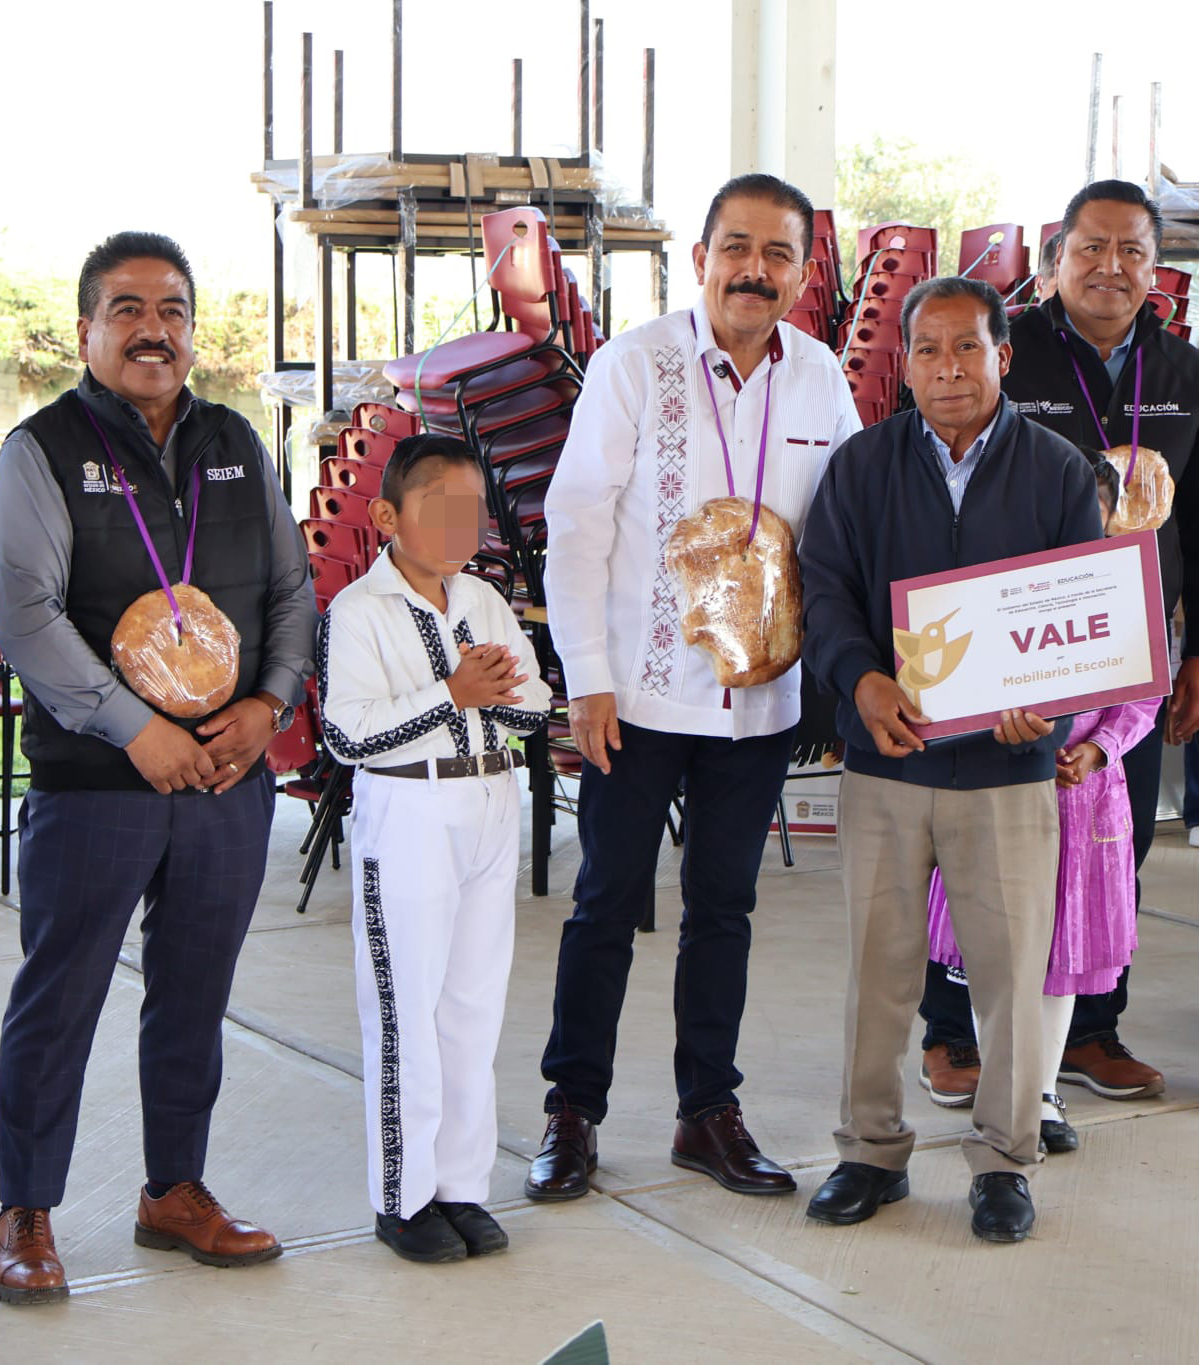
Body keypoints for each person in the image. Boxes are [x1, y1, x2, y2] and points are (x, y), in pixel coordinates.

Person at [0, 231, 317, 1302]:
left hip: (224, 780)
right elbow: (27, 616)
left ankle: (174, 1191)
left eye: (171, 309)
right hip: (99, 783)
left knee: (194, 995)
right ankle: (26, 1210)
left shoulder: (235, 440)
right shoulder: (41, 450)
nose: (151, 330)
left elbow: (290, 588)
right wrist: (135, 728)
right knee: (61, 999)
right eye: (126, 309)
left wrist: (267, 705)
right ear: (85, 328)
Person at [526, 174, 861, 1203]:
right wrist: (585, 678)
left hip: (759, 704)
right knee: (604, 903)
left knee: (724, 908)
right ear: (701, 258)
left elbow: (848, 525)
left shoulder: (820, 379)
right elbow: (576, 525)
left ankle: (706, 1112)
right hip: (637, 698)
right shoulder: (632, 366)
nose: (754, 270)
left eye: (777, 254)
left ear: (802, 274)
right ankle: (571, 1111)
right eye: (737, 248)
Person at [799, 275, 1103, 1243]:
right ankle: (869, 1150)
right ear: (905, 366)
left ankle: (1005, 1158)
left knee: (1010, 976)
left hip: (1008, 774)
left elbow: (1079, 614)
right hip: (887, 762)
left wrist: (1047, 709)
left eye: (966, 346)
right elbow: (824, 591)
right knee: (877, 971)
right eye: (926, 350)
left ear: (1001, 356)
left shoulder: (1058, 470)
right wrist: (859, 681)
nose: (947, 369)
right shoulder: (861, 465)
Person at [917, 180, 1199, 1104]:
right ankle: (952, 1031)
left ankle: (1090, 1027)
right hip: (1010, 632)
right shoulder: (1004, 351)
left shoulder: (1183, 371)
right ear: (1053, 260)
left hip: (1124, 644)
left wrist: (1195, 651)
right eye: (1090, 247)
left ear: (1155, 268)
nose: (1110, 267)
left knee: (1115, 833)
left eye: (1131, 251)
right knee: (975, 836)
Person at [318, 434, 551, 1263]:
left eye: (472, 510)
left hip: (489, 798)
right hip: (410, 807)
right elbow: (347, 732)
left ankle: (460, 1185)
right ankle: (403, 1195)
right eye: (439, 508)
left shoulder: (483, 598)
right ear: (387, 516)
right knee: (404, 1009)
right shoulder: (359, 611)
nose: (462, 527)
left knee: (471, 1008)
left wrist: (489, 693)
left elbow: (534, 702)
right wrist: (453, 692)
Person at [924, 451, 1160, 1155]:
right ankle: (1004, 1086)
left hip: (1084, 805)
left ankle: (1043, 1090)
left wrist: (1098, 749)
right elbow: (955, 684)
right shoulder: (993, 588)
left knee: (1064, 949)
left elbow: (1143, 693)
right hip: (996, 794)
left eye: (1091, 514)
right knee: (992, 947)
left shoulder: (1124, 591)